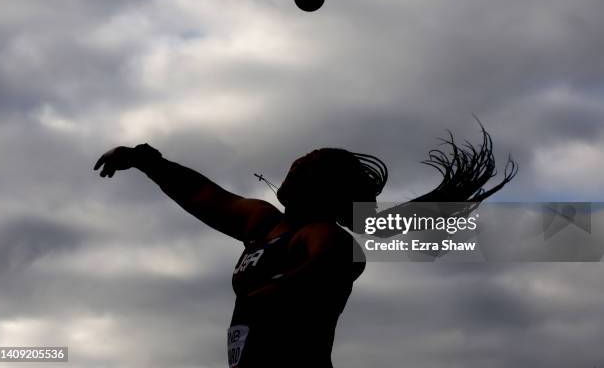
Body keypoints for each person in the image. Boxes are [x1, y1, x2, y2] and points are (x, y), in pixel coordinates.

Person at [93, 123, 516, 368]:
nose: (294, 166)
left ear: (321, 190)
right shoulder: (263, 222)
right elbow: (203, 195)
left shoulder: (324, 235)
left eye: (306, 166)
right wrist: (146, 160)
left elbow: (330, 264)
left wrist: (281, 287)